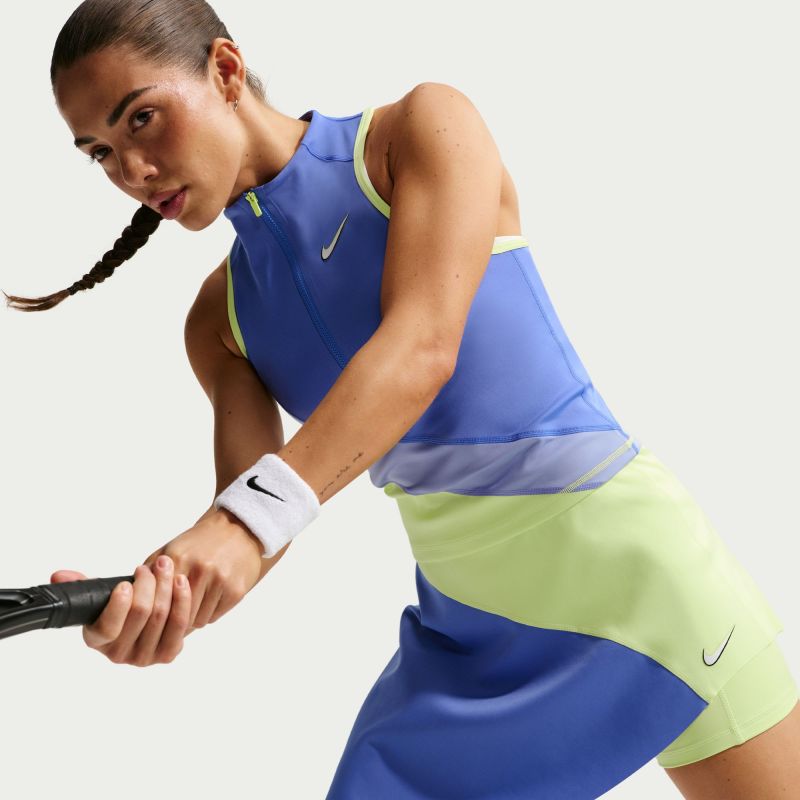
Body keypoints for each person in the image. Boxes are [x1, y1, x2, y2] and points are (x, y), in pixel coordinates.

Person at [5, 1, 798, 796]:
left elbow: (420, 351)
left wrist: (239, 527)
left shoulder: (417, 132)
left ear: (226, 70)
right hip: (465, 633)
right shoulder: (220, 323)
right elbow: (249, 519)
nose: (132, 171)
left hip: (636, 585)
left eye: (141, 119)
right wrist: (162, 597)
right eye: (100, 152)